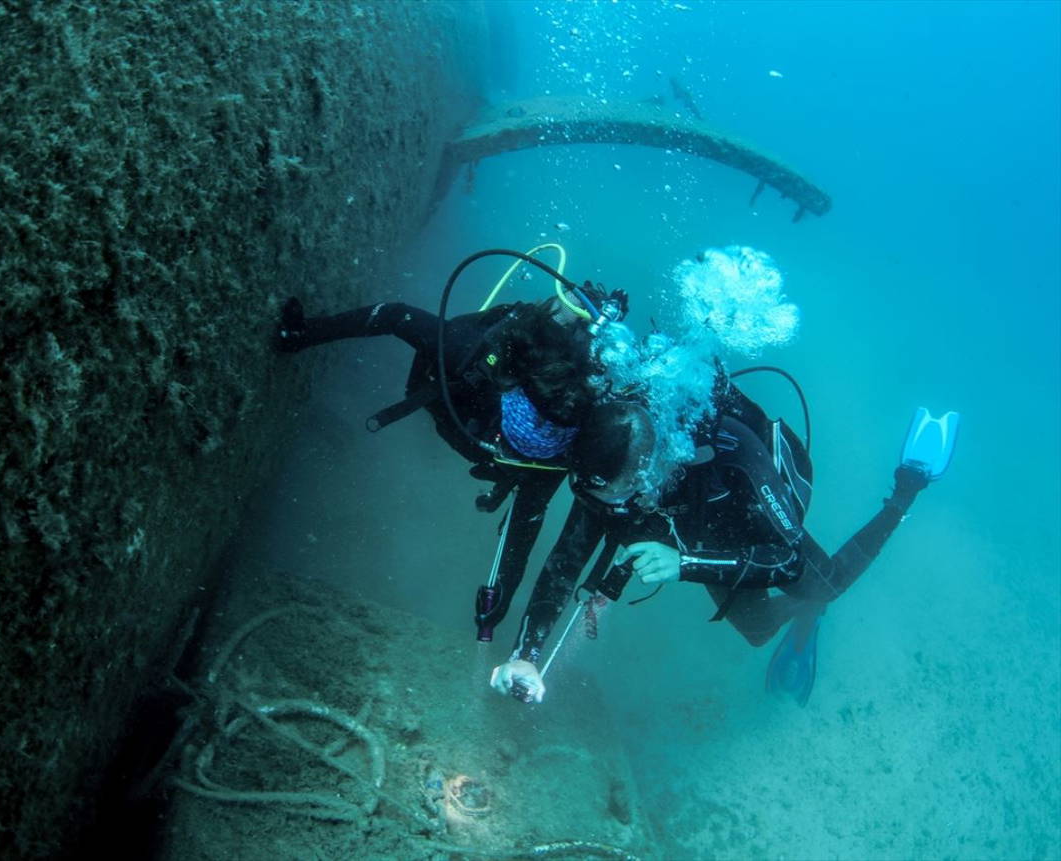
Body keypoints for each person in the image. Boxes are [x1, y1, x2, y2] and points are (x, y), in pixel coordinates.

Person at [490, 374, 958, 706]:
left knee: (821, 588)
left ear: (652, 466)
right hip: (691, 528)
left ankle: (907, 488)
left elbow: (789, 561)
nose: (612, 508)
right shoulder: (604, 466)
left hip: (748, 516)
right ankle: (799, 616)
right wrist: (527, 655)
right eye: (599, 495)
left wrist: (684, 564)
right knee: (756, 631)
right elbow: (565, 562)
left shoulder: (736, 454)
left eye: (621, 494)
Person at [273, 292, 598, 639]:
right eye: (532, 430)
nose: (538, 440)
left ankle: (302, 336)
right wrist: (304, 333)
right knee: (411, 325)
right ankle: (299, 336)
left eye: (550, 438)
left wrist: (495, 608)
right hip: (448, 384)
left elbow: (518, 544)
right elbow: (395, 316)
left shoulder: (546, 464)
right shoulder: (469, 354)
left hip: (467, 421)